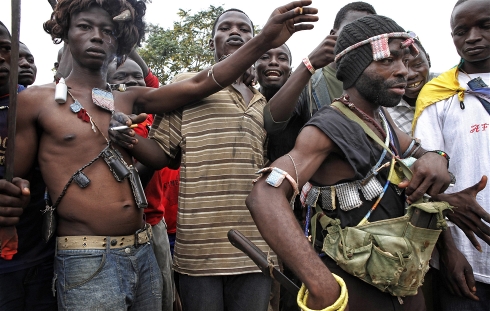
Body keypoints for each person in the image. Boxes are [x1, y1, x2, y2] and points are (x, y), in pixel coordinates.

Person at [0, 0, 317, 310]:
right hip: (87, 258)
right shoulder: (37, 102)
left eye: (108, 30)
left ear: (120, 40)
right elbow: (17, 180)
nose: (97, 36)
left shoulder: (128, 98)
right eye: (84, 26)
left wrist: (263, 40)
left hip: (142, 249)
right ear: (66, 32)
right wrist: (12, 196)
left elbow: (198, 85)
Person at [246, 14, 490, 311]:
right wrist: (320, 284)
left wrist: (437, 159)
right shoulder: (327, 126)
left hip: (400, 281)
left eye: (403, 59)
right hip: (353, 292)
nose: (403, 71)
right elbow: (265, 192)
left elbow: (419, 150)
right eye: (388, 61)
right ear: (355, 66)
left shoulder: (379, 118)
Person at [109, 6, 318, 310]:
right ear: (212, 42)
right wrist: (128, 138)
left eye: (244, 29)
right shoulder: (186, 84)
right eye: (225, 27)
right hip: (198, 248)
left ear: (255, 39)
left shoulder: (266, 103)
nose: (235, 32)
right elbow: (161, 155)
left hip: (255, 245)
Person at [413, 0, 490, 309]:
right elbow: (426, 186)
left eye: (485, 25)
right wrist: (448, 252)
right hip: (467, 262)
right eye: (461, 30)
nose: (472, 37)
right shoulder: (437, 96)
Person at [107, 56, 175, 311]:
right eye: (121, 77)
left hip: (153, 223)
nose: (131, 81)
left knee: (160, 297)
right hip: (112, 231)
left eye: (136, 77)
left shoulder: (152, 117)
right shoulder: (100, 119)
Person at [263, 1, 377, 152]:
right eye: (351, 31)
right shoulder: (309, 81)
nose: (359, 40)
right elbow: (271, 124)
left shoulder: (376, 81)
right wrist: (308, 65)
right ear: (332, 35)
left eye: (368, 35)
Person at [385, 36, 435, 135]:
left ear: (428, 60)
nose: (411, 75)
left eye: (418, 64)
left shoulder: (451, 88)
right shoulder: (384, 110)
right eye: (402, 67)